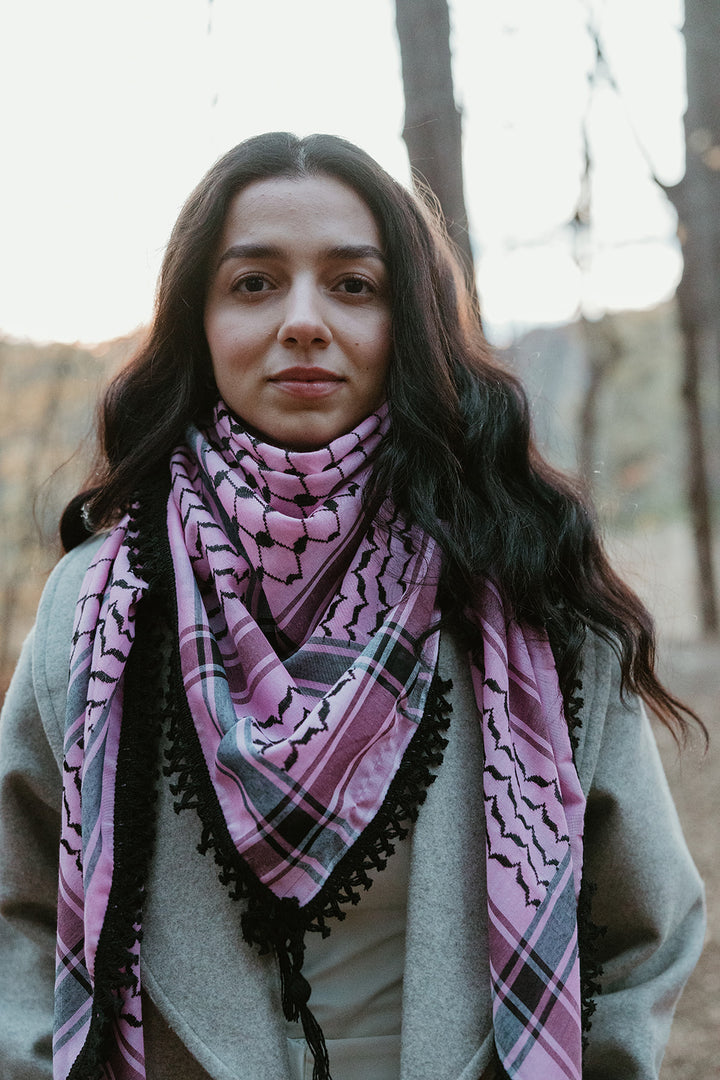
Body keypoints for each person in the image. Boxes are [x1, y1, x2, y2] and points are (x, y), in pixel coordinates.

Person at [0, 131, 705, 1080]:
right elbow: (18, 905)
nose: (303, 321)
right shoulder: (97, 607)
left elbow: (640, 929)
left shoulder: (524, 581)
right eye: (253, 283)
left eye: (353, 285)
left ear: (407, 321)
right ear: (197, 322)